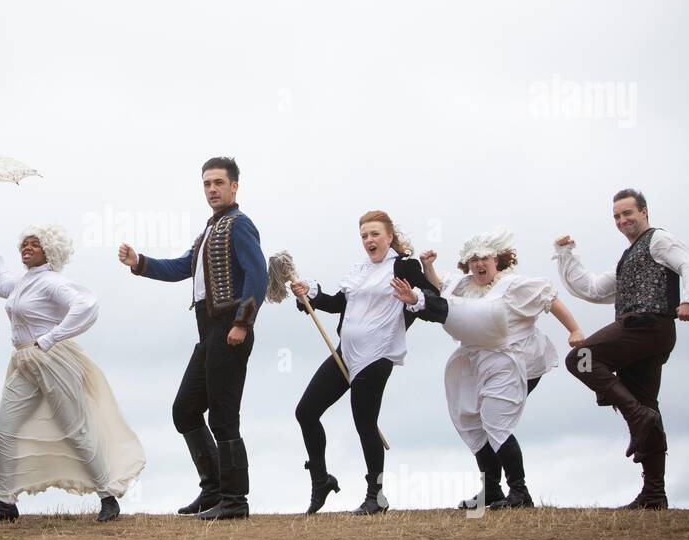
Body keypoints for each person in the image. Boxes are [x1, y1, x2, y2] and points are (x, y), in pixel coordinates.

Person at [554, 188, 689, 509]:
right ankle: (654, 494)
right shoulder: (628, 257)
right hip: (642, 335)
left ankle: (637, 415)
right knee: (648, 407)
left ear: (644, 212)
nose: (622, 220)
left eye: (627, 213)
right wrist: (566, 254)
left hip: (648, 327)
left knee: (581, 358)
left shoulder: (659, 241)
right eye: (616, 216)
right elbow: (590, 288)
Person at [118, 156, 267, 520]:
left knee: (223, 415)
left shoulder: (240, 225)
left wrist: (242, 323)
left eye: (218, 182)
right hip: (208, 332)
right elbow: (184, 267)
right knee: (185, 410)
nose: (212, 189)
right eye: (206, 183)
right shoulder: (209, 230)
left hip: (229, 329)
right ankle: (214, 489)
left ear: (234, 186)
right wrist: (140, 262)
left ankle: (235, 501)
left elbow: (258, 275)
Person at [0, 225, 145, 524]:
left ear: (49, 251)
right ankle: (5, 503)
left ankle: (107, 497)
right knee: (3, 429)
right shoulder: (24, 282)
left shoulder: (52, 282)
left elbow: (86, 304)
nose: (27, 248)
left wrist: (52, 337)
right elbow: (0, 284)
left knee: (75, 429)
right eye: (24, 243)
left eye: (35, 245)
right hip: (25, 361)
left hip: (53, 360)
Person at [402, 228, 583, 510]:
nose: (478, 264)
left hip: (519, 362)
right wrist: (428, 266)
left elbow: (550, 299)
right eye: (473, 260)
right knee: (474, 421)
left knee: (495, 420)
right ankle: (492, 490)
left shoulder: (513, 285)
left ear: (497, 260)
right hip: (480, 362)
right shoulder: (465, 285)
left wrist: (575, 330)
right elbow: (441, 288)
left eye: (484, 259)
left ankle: (520, 492)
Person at [288, 210, 437, 515]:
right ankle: (321, 479)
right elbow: (336, 304)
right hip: (347, 351)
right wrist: (310, 296)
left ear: (389, 237)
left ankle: (376, 495)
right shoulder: (360, 271)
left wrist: (412, 299)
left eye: (375, 234)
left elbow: (431, 298)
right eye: (364, 236)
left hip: (377, 354)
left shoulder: (403, 265)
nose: (369, 240)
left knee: (365, 424)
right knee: (306, 411)